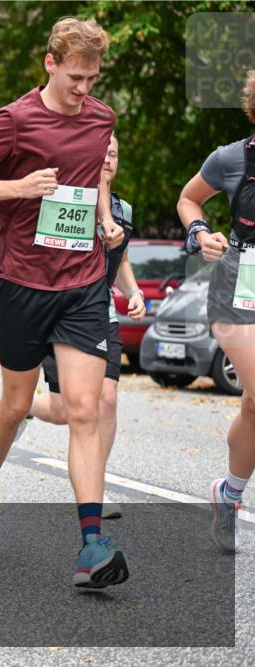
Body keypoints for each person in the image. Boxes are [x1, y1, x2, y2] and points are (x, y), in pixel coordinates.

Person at [0, 17, 128, 589]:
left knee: (86, 406)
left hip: (81, 284)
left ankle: (92, 545)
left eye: (93, 78)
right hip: (24, 284)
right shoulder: (16, 120)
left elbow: (94, 180)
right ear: (50, 63)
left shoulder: (102, 119)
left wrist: (105, 217)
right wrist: (19, 187)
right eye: (76, 76)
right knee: (14, 404)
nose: (84, 89)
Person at [26, 134, 145, 520]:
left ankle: (96, 487)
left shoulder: (123, 209)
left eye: (115, 153)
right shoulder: (67, 197)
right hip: (60, 310)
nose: (108, 158)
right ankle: (26, 406)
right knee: (67, 410)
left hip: (102, 311)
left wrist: (134, 291)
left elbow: (121, 259)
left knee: (106, 401)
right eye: (103, 151)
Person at [176, 69, 255, 553]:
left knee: (253, 404)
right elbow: (188, 198)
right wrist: (201, 233)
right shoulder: (231, 158)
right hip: (237, 288)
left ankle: (229, 494)